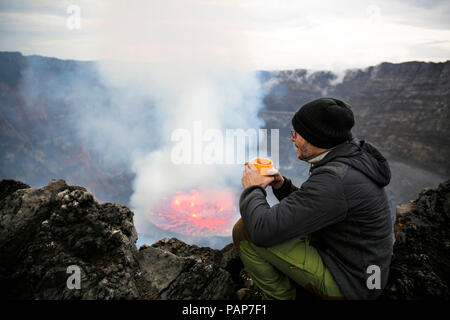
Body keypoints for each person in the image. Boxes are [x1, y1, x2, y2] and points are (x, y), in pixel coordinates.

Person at [233, 97, 393, 300]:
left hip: (353, 285)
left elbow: (262, 231)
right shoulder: (350, 158)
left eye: (297, 134)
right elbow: (316, 206)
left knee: (245, 231)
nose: (292, 139)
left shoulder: (334, 179)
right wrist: (282, 186)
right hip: (362, 269)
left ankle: (281, 297)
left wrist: (253, 188)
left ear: (315, 138)